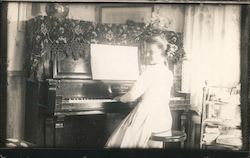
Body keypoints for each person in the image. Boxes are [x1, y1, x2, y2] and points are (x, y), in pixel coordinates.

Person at [105, 35, 173, 148]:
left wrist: (120, 98)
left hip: (148, 118)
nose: (147, 55)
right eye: (146, 52)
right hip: (163, 119)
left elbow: (132, 96)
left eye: (151, 52)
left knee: (120, 140)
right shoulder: (168, 72)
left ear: (161, 51)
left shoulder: (149, 71)